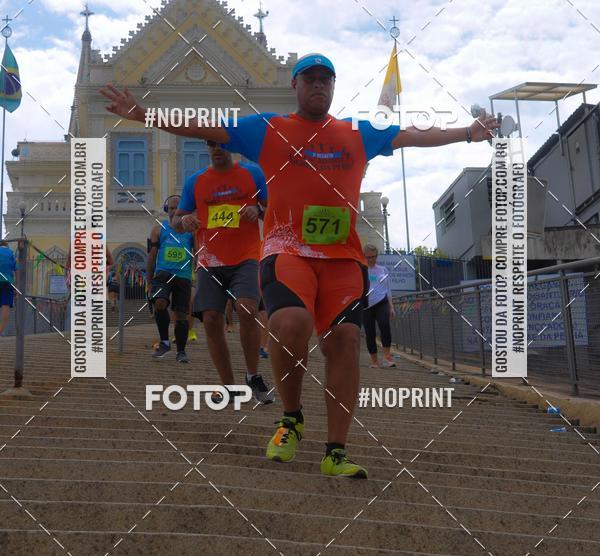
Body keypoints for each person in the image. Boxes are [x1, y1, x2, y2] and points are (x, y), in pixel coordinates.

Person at [101, 56, 498, 477]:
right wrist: (144, 114)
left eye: (326, 80)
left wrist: (468, 134)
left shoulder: (356, 133)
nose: (319, 86)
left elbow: (413, 135)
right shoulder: (269, 129)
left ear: (333, 86)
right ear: (295, 85)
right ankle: (290, 418)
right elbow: (203, 125)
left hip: (342, 259)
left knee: (344, 340)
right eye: (310, 79)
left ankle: (336, 451)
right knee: (290, 324)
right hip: (287, 251)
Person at [172, 140, 274, 404]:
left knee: (248, 308)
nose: (217, 148)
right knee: (212, 319)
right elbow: (176, 220)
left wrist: (258, 209)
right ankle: (229, 386)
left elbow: (274, 210)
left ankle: (252, 375)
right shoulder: (195, 182)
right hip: (210, 259)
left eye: (222, 144)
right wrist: (184, 220)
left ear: (232, 146)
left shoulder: (253, 173)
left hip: (247, 255)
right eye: (211, 144)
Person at [147, 195, 194, 362]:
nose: (174, 211)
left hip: (183, 277)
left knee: (181, 315)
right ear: (167, 210)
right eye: (171, 208)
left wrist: (197, 277)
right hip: (162, 274)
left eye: (177, 208)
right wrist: (149, 279)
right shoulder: (159, 229)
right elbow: (151, 255)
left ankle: (181, 351)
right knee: (160, 303)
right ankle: (164, 342)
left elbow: (197, 254)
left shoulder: (191, 232)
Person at [363, 245, 396, 368]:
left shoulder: (383, 270)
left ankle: (387, 357)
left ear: (377, 256)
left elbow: (388, 289)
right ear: (364, 256)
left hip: (382, 301)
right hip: (366, 305)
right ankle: (374, 361)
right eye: (368, 257)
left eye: (373, 257)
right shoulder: (361, 269)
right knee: (370, 332)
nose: (371, 259)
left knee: (385, 325)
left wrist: (391, 306)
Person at [0, 240, 17, 335]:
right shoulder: (10, 253)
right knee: (5, 306)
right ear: (7, 245)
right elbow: (16, 269)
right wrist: (16, 286)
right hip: (7, 282)